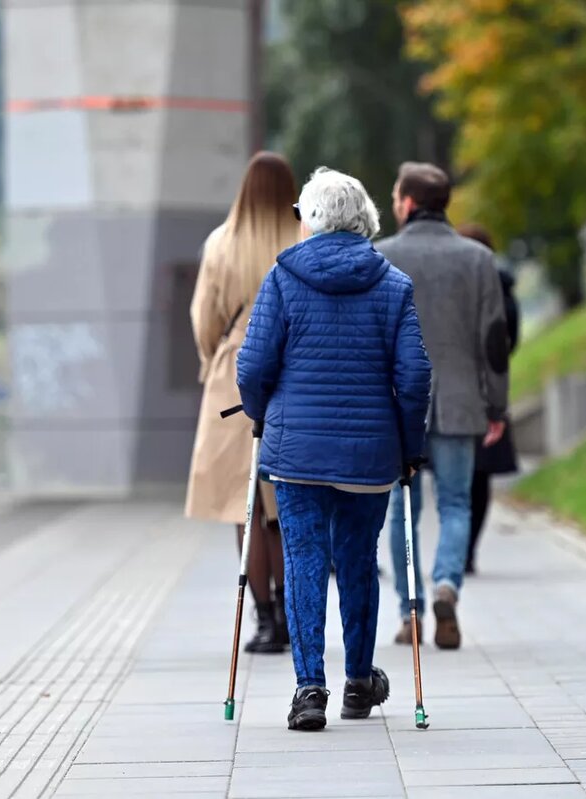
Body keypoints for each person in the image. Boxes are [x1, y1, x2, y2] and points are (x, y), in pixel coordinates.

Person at [237, 167, 432, 731]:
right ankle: (358, 681)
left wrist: (261, 413)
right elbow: (415, 376)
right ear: (364, 218)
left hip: (297, 451)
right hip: (370, 453)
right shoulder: (393, 284)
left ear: (311, 218)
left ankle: (308, 691)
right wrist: (409, 446)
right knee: (357, 560)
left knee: (302, 559)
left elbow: (252, 366)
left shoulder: (282, 278)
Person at [377, 162, 509, 651]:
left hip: (399, 406)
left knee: (401, 508)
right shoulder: (478, 260)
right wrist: (496, 405)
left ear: (409, 203)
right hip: (459, 402)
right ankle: (447, 586)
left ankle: (408, 611)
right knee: (456, 502)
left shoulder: (382, 255)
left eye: (395, 196)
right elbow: (493, 342)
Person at [185, 151, 301, 654]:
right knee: (286, 505)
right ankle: (294, 610)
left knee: (245, 506)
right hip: (294, 376)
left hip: (233, 377)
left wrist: (215, 358)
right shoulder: (304, 238)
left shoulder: (222, 243)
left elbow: (203, 318)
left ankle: (265, 620)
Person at [456, 223, 520, 576]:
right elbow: (510, 341)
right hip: (489, 388)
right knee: (479, 478)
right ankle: (466, 552)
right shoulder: (503, 289)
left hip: (455, 390)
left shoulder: (455, 289)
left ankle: (456, 553)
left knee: (456, 481)